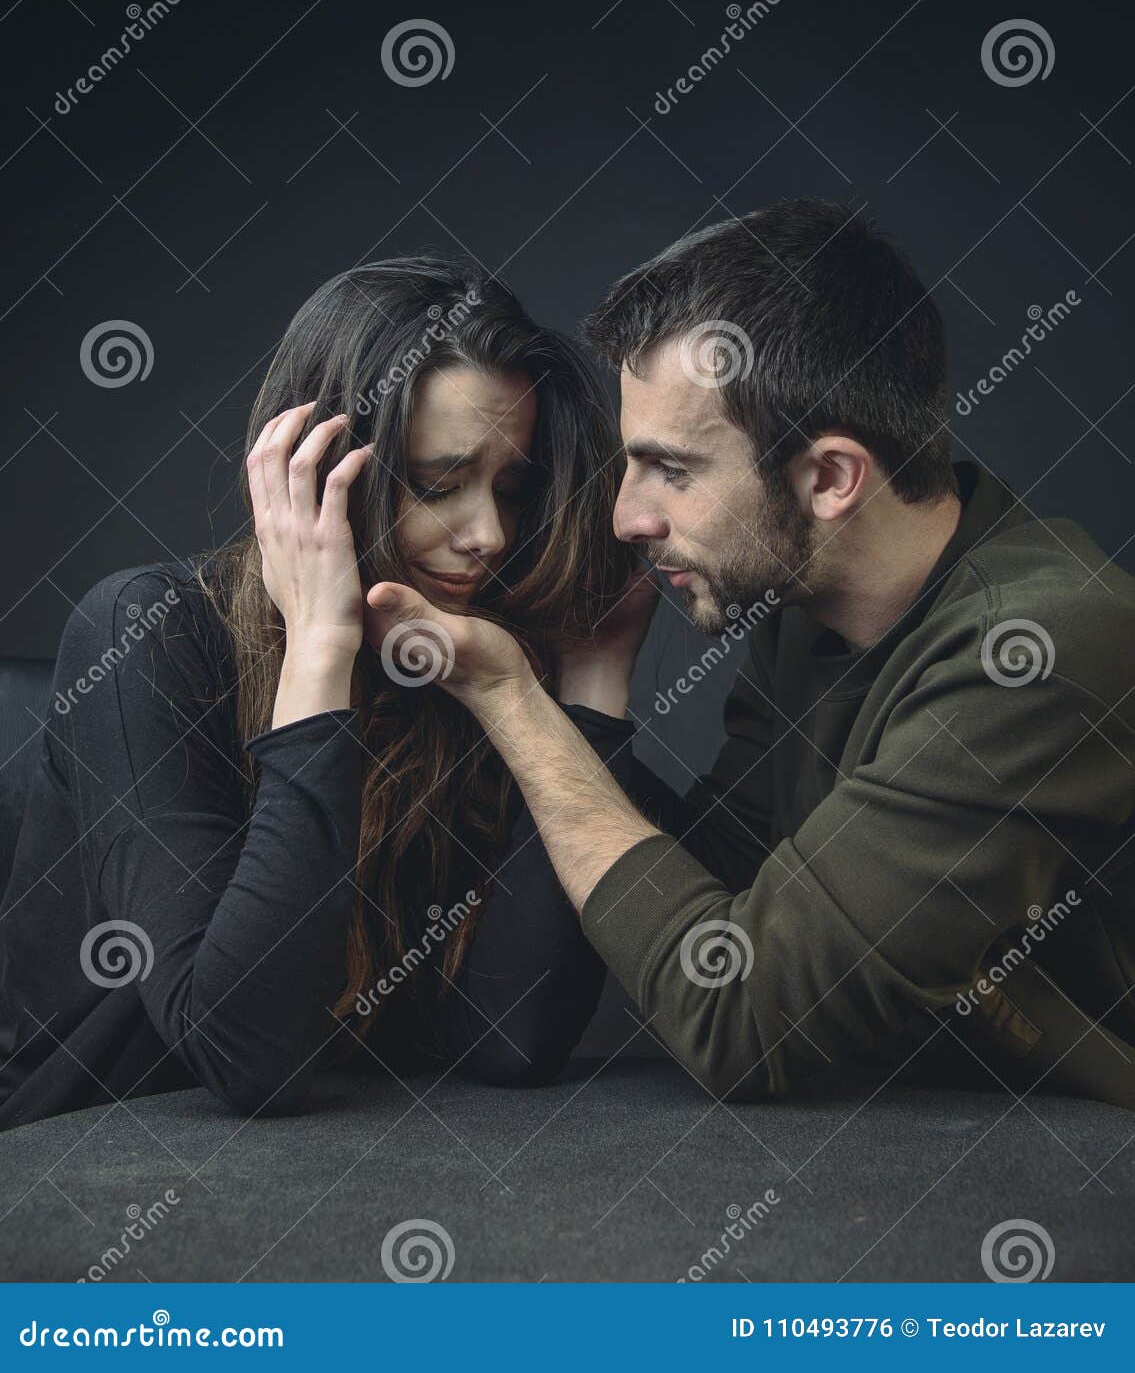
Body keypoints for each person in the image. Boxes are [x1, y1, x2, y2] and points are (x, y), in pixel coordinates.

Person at [367, 199, 1135, 1110]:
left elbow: (735, 1014)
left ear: (829, 479)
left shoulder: (1038, 651)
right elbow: (714, 887)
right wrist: (593, 680)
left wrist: (508, 699)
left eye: (672, 471)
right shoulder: (806, 613)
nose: (625, 519)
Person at [0, 258, 635, 1130]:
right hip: (82, 1154)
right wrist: (320, 648)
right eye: (438, 484)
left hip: (320, 1180)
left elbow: (508, 1039)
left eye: (511, 489)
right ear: (314, 473)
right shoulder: (146, 632)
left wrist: (592, 676)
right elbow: (244, 1057)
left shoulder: (460, 655)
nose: (489, 534)